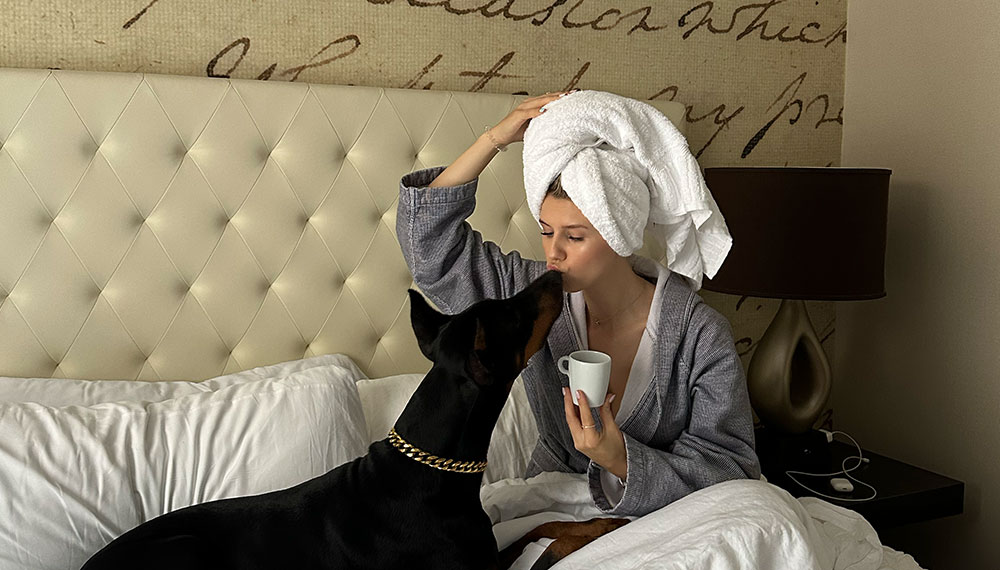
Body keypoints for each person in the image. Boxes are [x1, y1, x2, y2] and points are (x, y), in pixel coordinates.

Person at [396, 90, 759, 517]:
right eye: (547, 231)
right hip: (549, 507)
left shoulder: (699, 334)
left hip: (664, 519)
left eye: (575, 236)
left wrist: (620, 459)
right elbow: (429, 246)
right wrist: (493, 139)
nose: (553, 254)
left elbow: (732, 468)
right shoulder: (527, 298)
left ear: (620, 233)